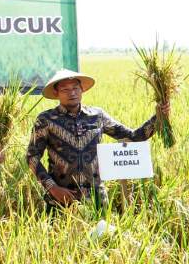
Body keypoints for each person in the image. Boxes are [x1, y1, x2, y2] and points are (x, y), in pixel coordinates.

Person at [26, 68, 170, 210]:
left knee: (100, 233)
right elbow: (32, 156)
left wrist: (158, 117)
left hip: (97, 200)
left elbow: (133, 137)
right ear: (56, 93)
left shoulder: (97, 116)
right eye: (65, 90)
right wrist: (53, 188)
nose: (72, 93)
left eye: (76, 88)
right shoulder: (46, 120)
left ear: (82, 89)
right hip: (60, 199)